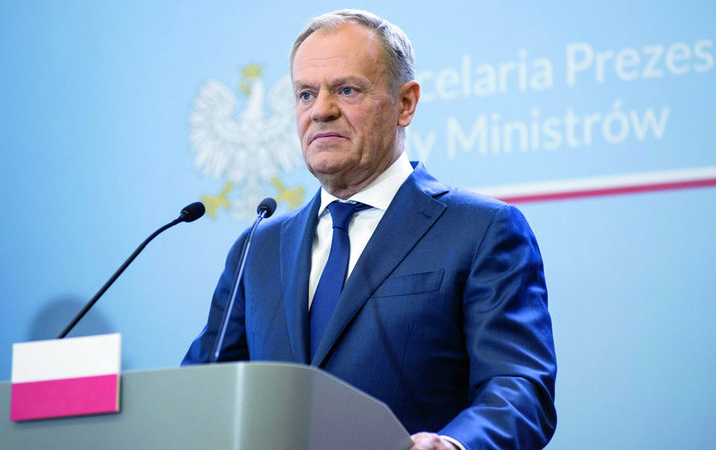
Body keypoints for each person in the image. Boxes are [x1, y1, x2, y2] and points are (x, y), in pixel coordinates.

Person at [183, 9, 556, 449]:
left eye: (346, 90)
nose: (321, 110)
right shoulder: (258, 248)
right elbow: (201, 393)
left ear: (406, 104)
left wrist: (455, 445)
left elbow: (518, 387)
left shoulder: (481, 230)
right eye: (305, 94)